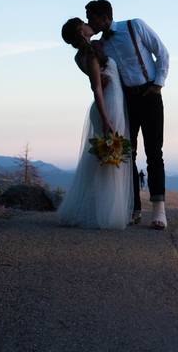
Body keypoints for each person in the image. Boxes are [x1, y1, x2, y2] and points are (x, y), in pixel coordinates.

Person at [85, 0, 170, 230]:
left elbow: (162, 53)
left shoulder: (135, 26)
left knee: (154, 152)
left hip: (149, 93)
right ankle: (134, 209)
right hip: (126, 100)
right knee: (127, 153)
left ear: (104, 17)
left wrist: (158, 84)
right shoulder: (101, 45)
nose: (88, 21)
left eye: (90, 17)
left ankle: (159, 211)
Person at [56, 17, 133, 229]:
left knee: (104, 159)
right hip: (108, 105)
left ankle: (97, 210)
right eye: (85, 24)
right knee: (108, 158)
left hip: (111, 102)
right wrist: (106, 118)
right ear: (82, 32)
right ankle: (106, 215)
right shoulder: (90, 55)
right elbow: (97, 88)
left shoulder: (83, 54)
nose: (90, 25)